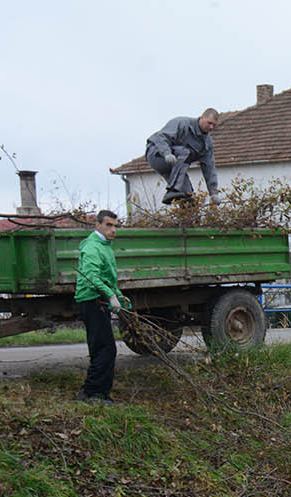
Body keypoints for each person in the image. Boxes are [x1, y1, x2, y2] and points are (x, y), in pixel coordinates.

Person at [74, 210, 131, 403]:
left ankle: (96, 394)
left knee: (102, 348)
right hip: (92, 300)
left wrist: (119, 296)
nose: (113, 230)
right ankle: (93, 394)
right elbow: (91, 276)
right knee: (106, 349)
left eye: (116, 226)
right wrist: (110, 295)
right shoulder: (92, 246)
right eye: (109, 225)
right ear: (97, 225)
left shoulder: (105, 245)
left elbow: (107, 277)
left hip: (99, 300)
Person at [145, 110, 221, 204]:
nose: (211, 127)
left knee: (188, 195)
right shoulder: (182, 123)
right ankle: (172, 190)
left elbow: (209, 168)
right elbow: (161, 138)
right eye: (209, 123)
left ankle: (187, 214)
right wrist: (167, 153)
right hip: (157, 155)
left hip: (177, 166)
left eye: (214, 125)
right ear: (202, 118)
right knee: (184, 152)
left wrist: (213, 193)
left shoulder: (206, 143)